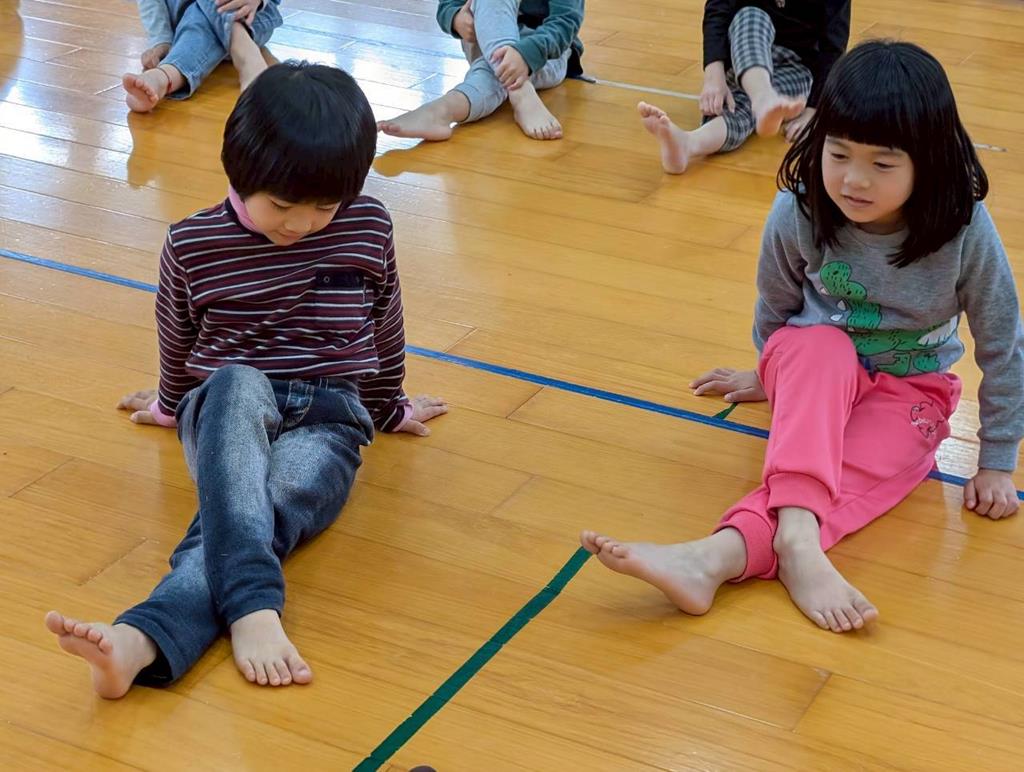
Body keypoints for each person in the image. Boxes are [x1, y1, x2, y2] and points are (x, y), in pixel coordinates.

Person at [583, 40, 1023, 633]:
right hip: (815, 365)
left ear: (930, 161)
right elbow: (777, 305)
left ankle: (711, 559)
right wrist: (771, 375)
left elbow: (1003, 343)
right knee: (821, 343)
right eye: (838, 154)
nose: (854, 180)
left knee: (853, 470)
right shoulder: (799, 208)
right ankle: (796, 542)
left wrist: (996, 461)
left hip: (910, 391)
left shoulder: (963, 228)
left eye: (883, 165)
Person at [45, 62, 448, 697]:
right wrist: (172, 405)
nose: (301, 224)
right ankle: (255, 605)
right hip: (228, 401)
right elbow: (176, 335)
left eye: (324, 207)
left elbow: (385, 320)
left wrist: (388, 406)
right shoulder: (192, 243)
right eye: (282, 205)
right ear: (238, 170)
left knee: (257, 511)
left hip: (328, 416)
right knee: (235, 384)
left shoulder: (367, 225)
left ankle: (141, 639)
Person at [639, 0, 850, 173]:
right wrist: (714, 75)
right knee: (750, 15)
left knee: (740, 109)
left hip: (795, 67)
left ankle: (689, 143)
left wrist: (814, 109)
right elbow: (718, 10)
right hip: (744, 54)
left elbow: (833, 47)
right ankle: (763, 97)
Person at [377, 0, 584, 141]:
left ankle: (439, 111)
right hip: (484, 44)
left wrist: (526, 55)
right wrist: (456, 19)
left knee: (488, 72)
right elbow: (448, 6)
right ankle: (520, 90)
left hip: (544, 56)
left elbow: (566, 23)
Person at [124, 0, 282, 112]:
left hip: (251, 18)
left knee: (201, 21)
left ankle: (163, 76)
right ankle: (241, 45)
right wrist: (161, 39)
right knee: (198, 18)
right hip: (187, 24)